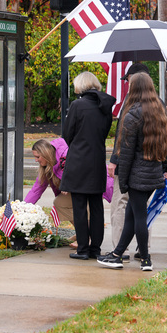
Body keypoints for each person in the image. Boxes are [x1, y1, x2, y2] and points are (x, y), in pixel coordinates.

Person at [98, 72, 167, 272]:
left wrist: (123, 181)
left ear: (134, 88)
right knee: (131, 215)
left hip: (137, 175)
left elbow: (127, 153)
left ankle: (146, 259)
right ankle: (116, 255)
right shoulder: (159, 111)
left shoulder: (132, 115)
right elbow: (166, 145)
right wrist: (164, 169)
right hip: (153, 173)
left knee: (139, 217)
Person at [61, 71, 116, 260]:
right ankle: (95, 248)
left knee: (79, 207)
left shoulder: (77, 105)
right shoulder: (105, 106)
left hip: (79, 160)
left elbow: (67, 134)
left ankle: (83, 249)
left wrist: (78, 144)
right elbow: (105, 132)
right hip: (97, 159)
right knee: (96, 206)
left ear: (80, 85)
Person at [25, 138, 114, 249]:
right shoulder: (46, 167)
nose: (36, 160)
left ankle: (87, 238)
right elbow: (36, 189)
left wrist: (69, 183)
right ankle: (82, 233)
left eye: (38, 157)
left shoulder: (65, 154)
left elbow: (83, 169)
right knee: (60, 203)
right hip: (78, 188)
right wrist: (23, 207)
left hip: (94, 183)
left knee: (86, 205)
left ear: (45, 153)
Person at [108, 63, 152, 259]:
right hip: (150, 166)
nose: (126, 83)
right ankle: (143, 249)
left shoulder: (130, 105)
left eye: (128, 80)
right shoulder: (157, 104)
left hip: (130, 165)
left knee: (120, 204)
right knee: (143, 209)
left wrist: (114, 160)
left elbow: (123, 138)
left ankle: (120, 249)